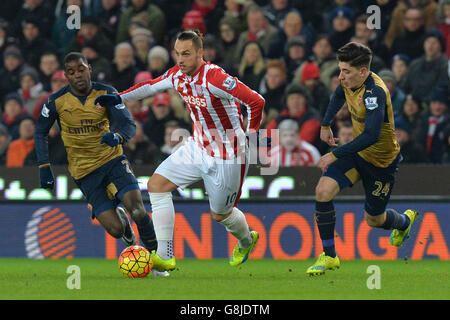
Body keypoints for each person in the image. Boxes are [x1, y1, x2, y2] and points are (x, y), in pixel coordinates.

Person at [95, 30, 265, 274]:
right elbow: (150, 87)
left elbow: (256, 101)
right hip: (198, 146)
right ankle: (166, 256)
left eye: (186, 54)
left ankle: (247, 240)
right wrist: (117, 98)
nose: (180, 59)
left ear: (200, 53)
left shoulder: (215, 78)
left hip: (229, 155)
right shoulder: (177, 75)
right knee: (156, 185)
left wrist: (250, 136)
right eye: (177, 54)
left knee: (220, 215)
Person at [34, 52, 161, 275]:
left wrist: (118, 137)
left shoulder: (106, 93)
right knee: (115, 230)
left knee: (139, 210)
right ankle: (123, 224)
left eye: (81, 69)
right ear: (66, 76)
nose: (77, 75)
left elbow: (128, 125)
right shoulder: (57, 101)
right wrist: (44, 166)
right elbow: (40, 133)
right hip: (84, 172)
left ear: (89, 69)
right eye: (71, 72)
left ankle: (156, 262)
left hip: (112, 160)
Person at [307, 42, 419, 276]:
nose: (341, 76)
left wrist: (334, 154)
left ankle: (404, 223)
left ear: (363, 72)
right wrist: (326, 124)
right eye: (340, 70)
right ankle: (329, 257)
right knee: (322, 191)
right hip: (358, 154)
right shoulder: (349, 81)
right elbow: (339, 94)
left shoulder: (375, 92)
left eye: (345, 71)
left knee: (374, 220)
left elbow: (371, 135)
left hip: (381, 163)